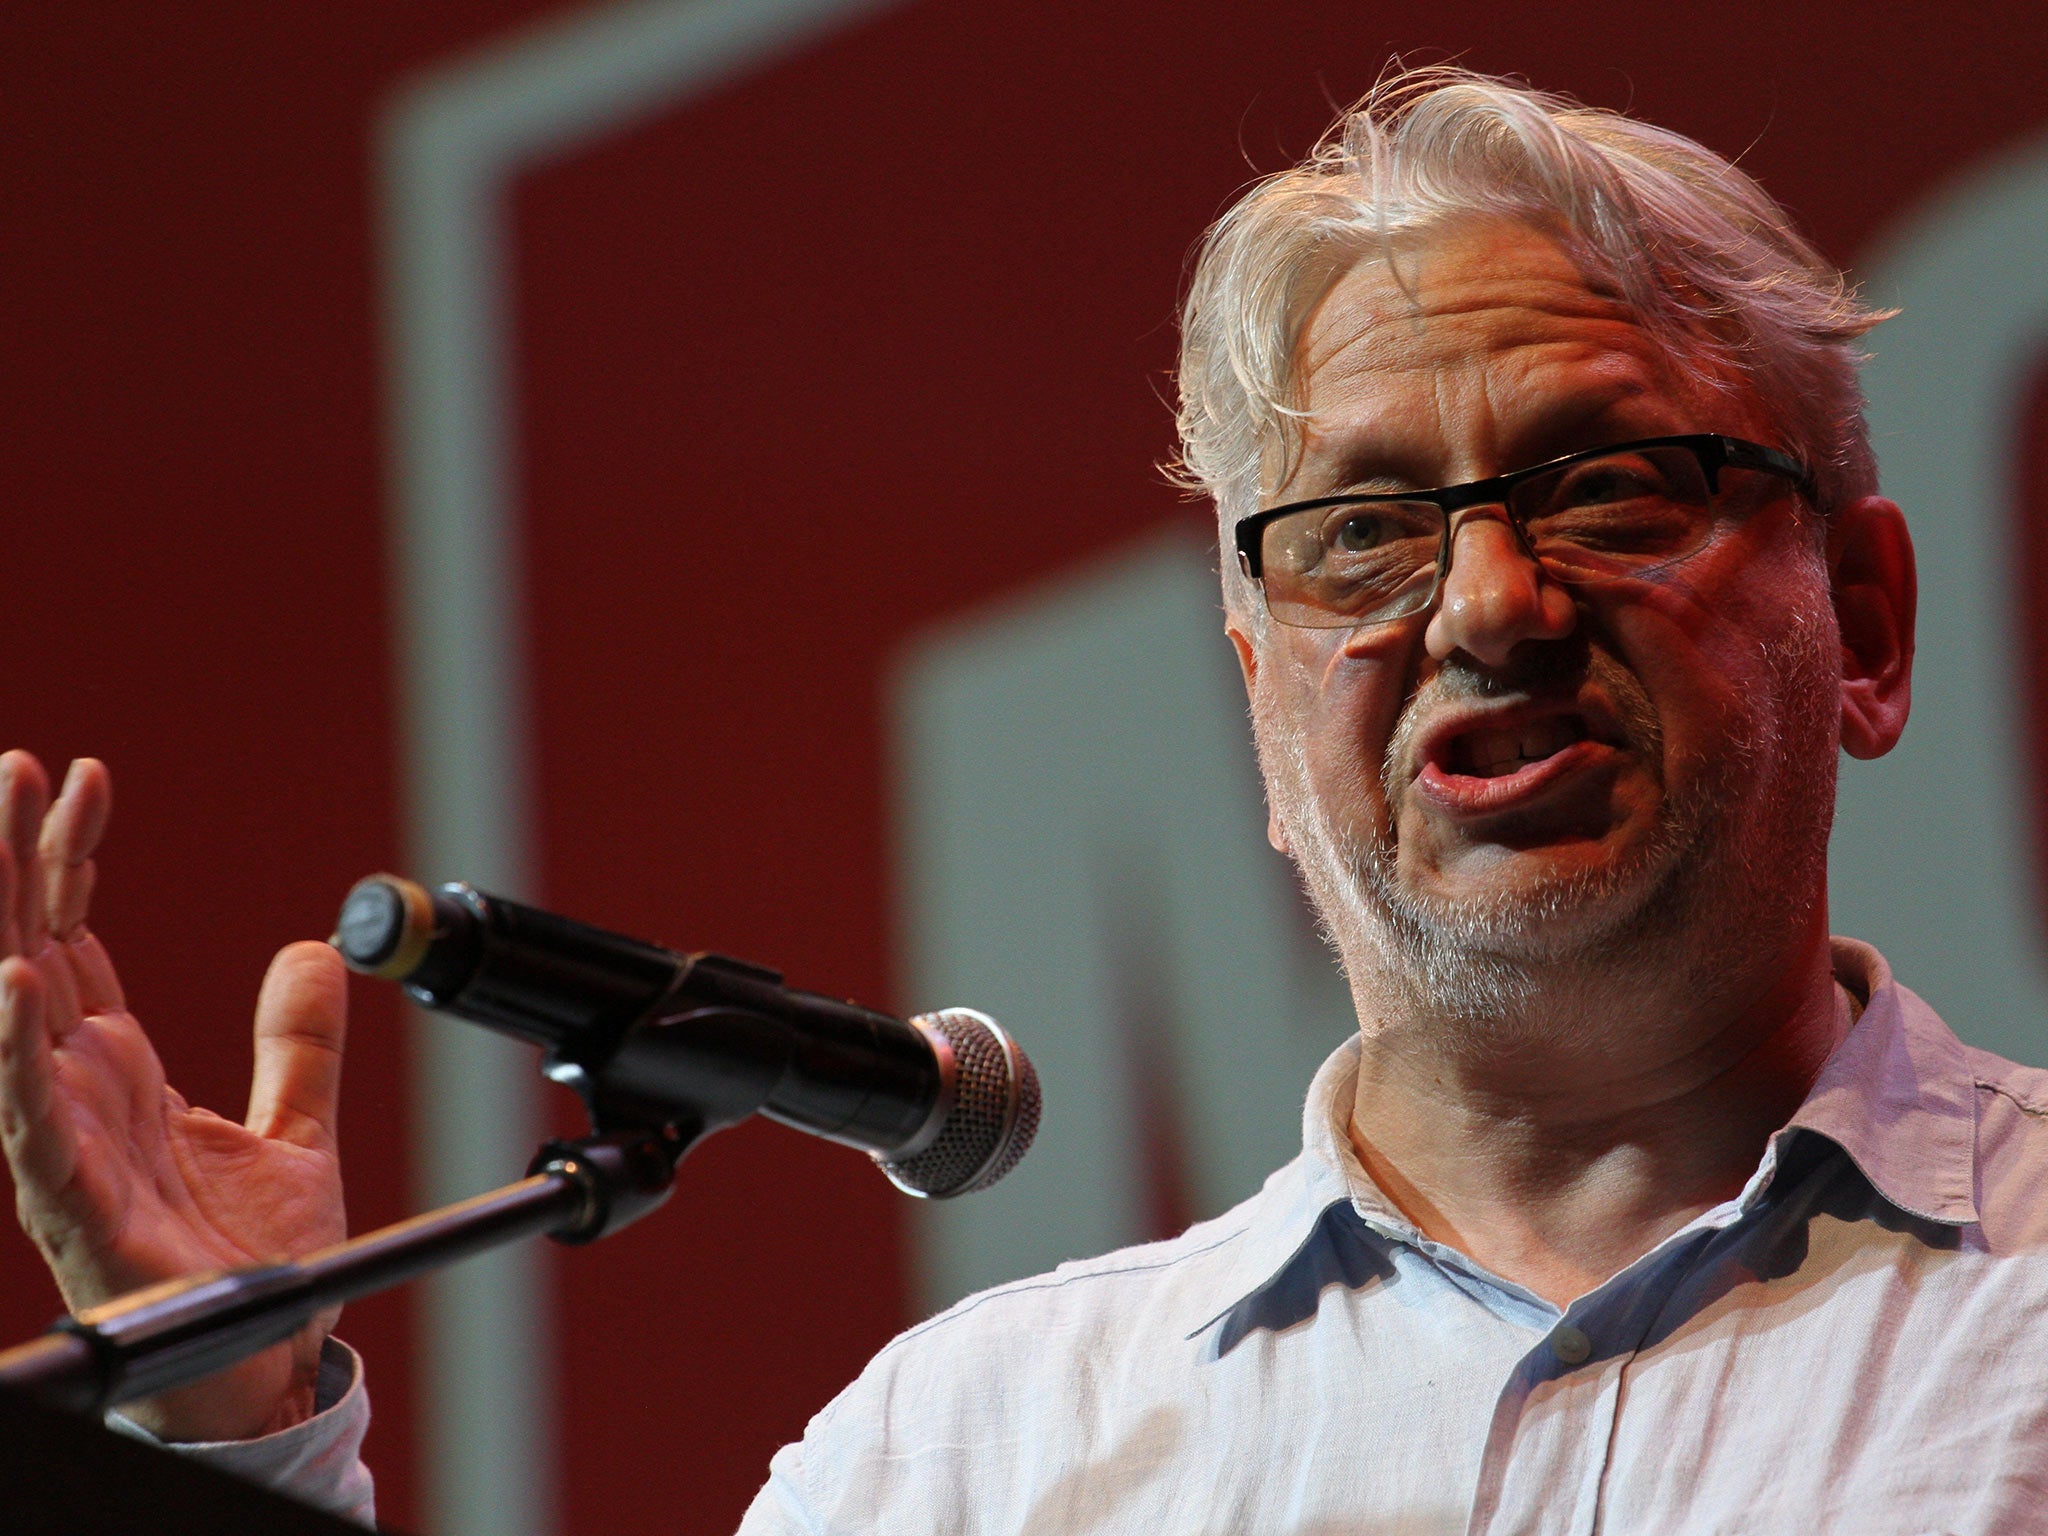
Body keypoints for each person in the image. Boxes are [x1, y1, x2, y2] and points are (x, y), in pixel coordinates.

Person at [5, 64, 2046, 1532]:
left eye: (1604, 485)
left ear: (1859, 621)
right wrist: (234, 1430)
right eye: (1358, 532)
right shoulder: (970, 1458)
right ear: (1260, 709)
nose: (1489, 603)